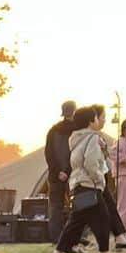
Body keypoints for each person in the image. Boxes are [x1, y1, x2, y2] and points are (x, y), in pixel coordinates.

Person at [51, 104, 124, 253]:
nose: (99, 120)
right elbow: (91, 162)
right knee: (104, 217)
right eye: (97, 117)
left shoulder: (76, 138)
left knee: (76, 221)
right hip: (90, 184)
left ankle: (58, 251)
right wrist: (100, 180)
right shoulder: (93, 138)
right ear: (91, 121)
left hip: (77, 183)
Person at [44, 101, 76, 244]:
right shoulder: (77, 129)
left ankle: (55, 238)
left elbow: (48, 154)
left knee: (55, 207)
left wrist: (58, 172)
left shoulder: (52, 130)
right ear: (74, 111)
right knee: (76, 206)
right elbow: (76, 153)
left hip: (55, 175)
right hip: (73, 173)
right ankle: (74, 236)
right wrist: (67, 171)